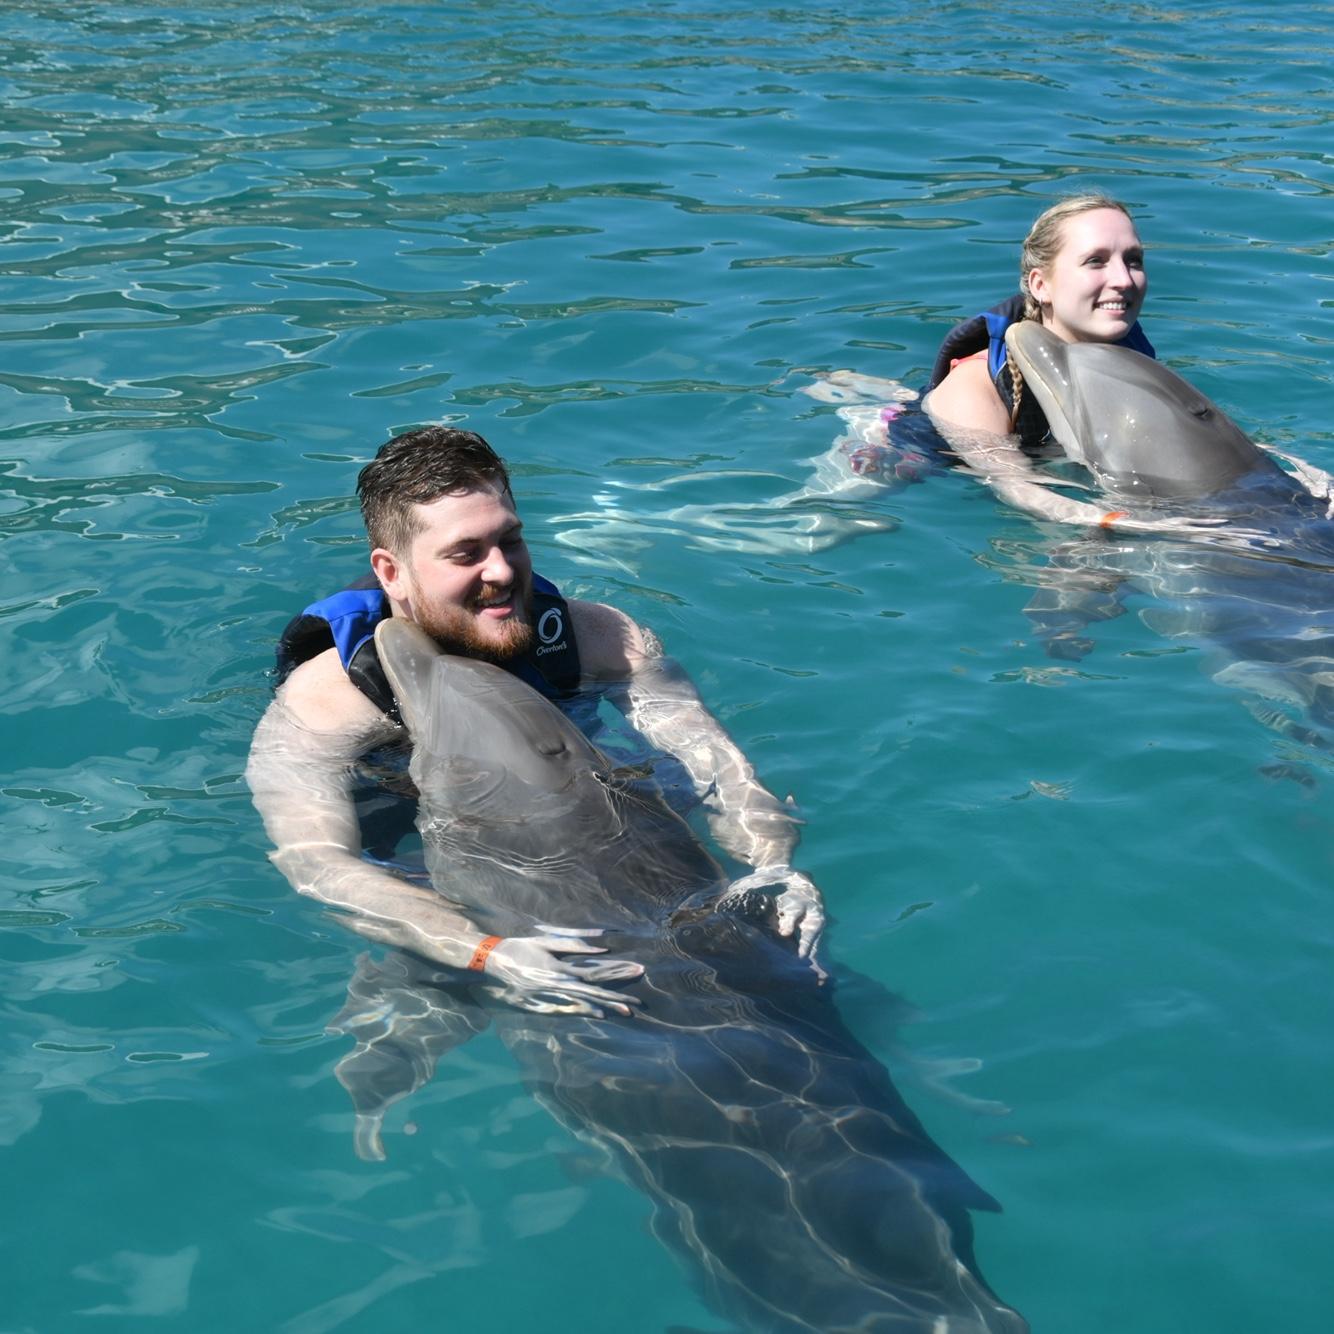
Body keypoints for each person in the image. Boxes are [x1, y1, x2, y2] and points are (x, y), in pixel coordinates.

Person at [246, 427, 824, 1019]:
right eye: (466, 554)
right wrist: (484, 952)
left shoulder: (602, 639)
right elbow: (315, 862)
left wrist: (772, 863)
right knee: (424, 978)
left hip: (590, 812)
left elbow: (711, 760)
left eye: (511, 541)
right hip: (415, 837)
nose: (501, 571)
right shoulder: (325, 704)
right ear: (390, 572)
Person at [922, 194, 1172, 527]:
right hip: (916, 456)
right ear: (1041, 285)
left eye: (1134, 260)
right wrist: (1119, 522)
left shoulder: (1130, 359)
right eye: (1095, 261)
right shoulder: (976, 384)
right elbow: (1015, 485)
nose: (1124, 280)